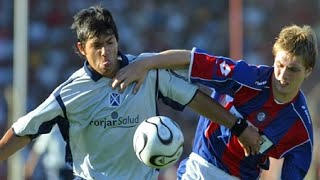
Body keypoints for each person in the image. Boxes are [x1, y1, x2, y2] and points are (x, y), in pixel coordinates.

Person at [0, 5, 261, 180]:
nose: (106, 53)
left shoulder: (147, 71)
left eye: (110, 43)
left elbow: (194, 99)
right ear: (81, 49)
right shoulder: (69, 93)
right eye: (97, 46)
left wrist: (238, 126)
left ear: (118, 40)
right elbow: (24, 130)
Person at [111, 24, 317, 179]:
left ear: (308, 71)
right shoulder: (247, 78)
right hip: (198, 169)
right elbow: (192, 60)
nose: (282, 75)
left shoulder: (301, 133)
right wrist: (146, 62)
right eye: (280, 65)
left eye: (293, 70)